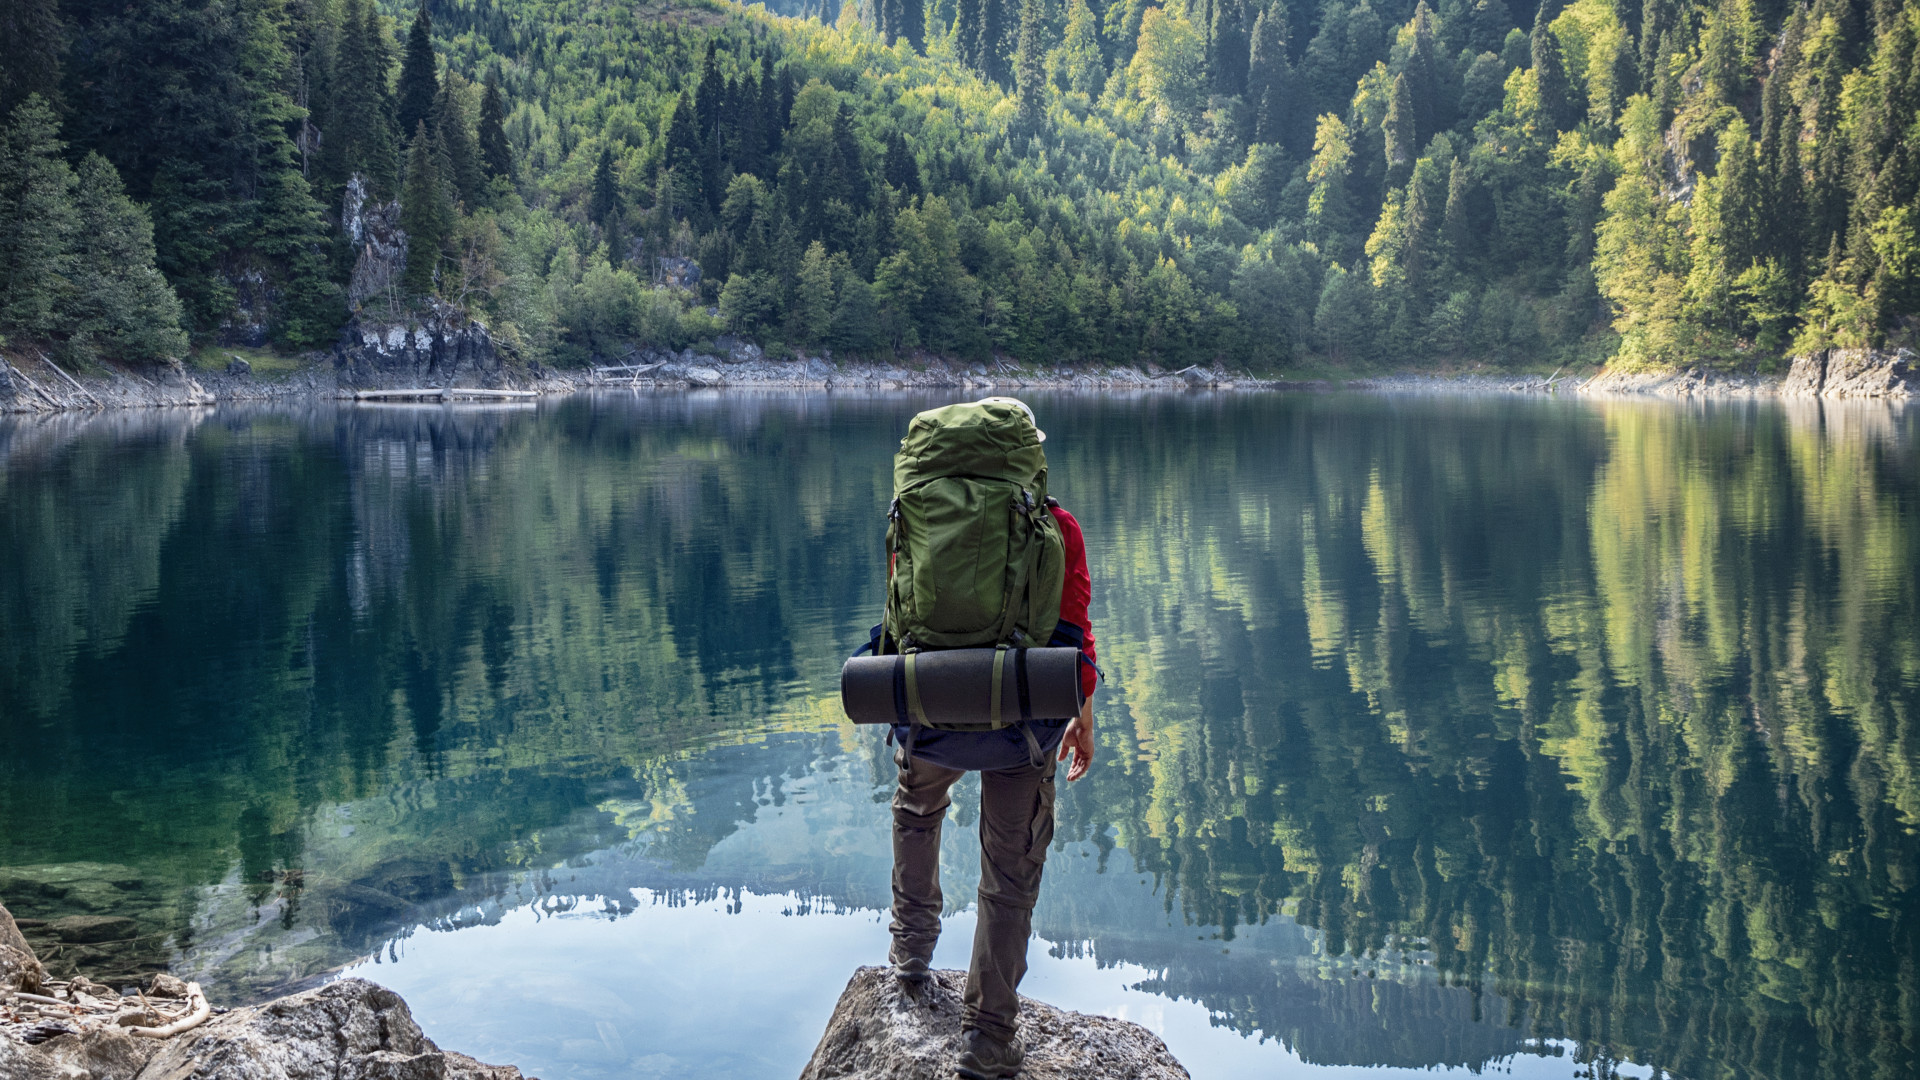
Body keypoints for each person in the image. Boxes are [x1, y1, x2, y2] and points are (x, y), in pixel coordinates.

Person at [884, 397, 1098, 1080]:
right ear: (1027, 459)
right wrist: (1083, 715)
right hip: (1020, 724)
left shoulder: (916, 518)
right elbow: (1075, 631)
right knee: (1009, 870)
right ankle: (987, 1036)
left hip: (929, 712)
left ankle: (910, 954)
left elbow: (899, 612)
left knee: (917, 809)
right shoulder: (1056, 526)